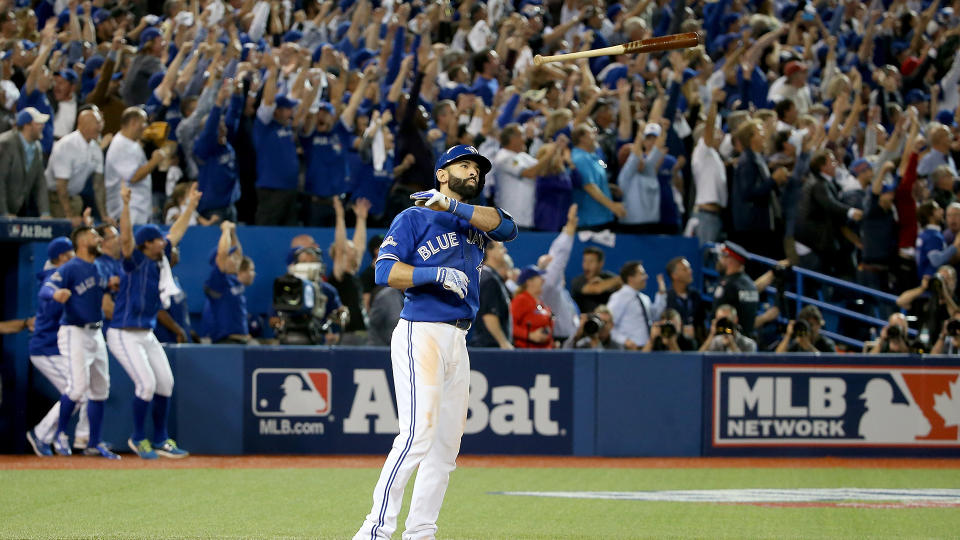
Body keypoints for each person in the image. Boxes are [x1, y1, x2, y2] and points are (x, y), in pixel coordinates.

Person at [353, 144, 518, 540]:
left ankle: (421, 532)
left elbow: (508, 228)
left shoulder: (472, 220)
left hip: (458, 339)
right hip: (421, 331)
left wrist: (454, 207)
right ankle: (374, 531)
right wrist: (433, 275)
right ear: (442, 173)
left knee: (445, 448)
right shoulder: (413, 216)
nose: (474, 172)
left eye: (478, 168)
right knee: (416, 435)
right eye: (465, 165)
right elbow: (384, 272)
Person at [106, 183, 200, 459]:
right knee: (146, 384)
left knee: (165, 384)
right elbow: (125, 238)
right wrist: (125, 205)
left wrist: (191, 206)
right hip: (123, 332)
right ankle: (138, 438)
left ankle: (160, 439)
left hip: (145, 333)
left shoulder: (160, 260)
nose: (164, 242)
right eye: (158, 240)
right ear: (147, 244)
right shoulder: (134, 260)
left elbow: (177, 232)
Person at [42, 224, 119, 459]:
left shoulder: (98, 267)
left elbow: (102, 289)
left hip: (96, 332)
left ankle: (93, 442)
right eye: (93, 235)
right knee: (76, 389)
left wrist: (111, 284)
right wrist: (55, 294)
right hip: (74, 331)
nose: (98, 239)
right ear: (82, 241)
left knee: (100, 389)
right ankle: (60, 435)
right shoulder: (71, 267)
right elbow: (46, 288)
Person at [25, 237, 88, 457]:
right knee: (77, 393)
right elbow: (53, 312)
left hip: (55, 348)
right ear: (62, 257)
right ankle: (42, 434)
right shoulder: (53, 278)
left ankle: (62, 436)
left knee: (80, 393)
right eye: (70, 253)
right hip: (46, 348)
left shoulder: (62, 274)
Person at [45, 107, 109, 224]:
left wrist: (104, 215)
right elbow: (61, 186)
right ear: (84, 124)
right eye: (97, 123)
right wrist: (69, 215)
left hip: (74, 198)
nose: (101, 126)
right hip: (53, 198)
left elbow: (98, 186)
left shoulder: (96, 149)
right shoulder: (66, 145)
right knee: (67, 229)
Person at [104, 106, 163, 224]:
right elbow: (134, 176)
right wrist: (154, 161)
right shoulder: (120, 145)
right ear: (133, 122)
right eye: (143, 122)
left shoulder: (132, 143)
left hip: (137, 207)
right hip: (128, 207)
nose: (145, 127)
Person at [201, 221, 256, 344]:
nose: (237, 261)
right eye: (232, 257)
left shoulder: (234, 280)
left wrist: (233, 234)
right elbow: (222, 253)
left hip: (241, 340)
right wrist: (225, 230)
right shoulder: (217, 280)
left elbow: (239, 254)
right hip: (225, 342)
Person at [538, 204, 581, 343]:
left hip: (570, 340)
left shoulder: (563, 293)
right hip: (557, 341)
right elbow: (558, 258)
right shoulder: (549, 289)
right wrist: (569, 230)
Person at [571, 123, 625, 229]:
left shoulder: (592, 157)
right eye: (591, 133)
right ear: (582, 138)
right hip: (590, 220)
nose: (595, 136)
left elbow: (593, 181)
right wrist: (612, 206)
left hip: (601, 217)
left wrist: (608, 187)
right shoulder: (580, 159)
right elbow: (589, 186)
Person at [0, 107, 50, 217]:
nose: (42, 126)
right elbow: (0, 180)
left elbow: (40, 182)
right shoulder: (5, 144)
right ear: (27, 126)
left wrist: (45, 213)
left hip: (18, 209)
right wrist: (3, 213)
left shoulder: (37, 147)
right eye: (38, 123)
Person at [607, 261, 666, 350]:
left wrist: (661, 294)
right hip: (629, 351)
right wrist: (625, 341)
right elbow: (608, 325)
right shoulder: (619, 297)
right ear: (631, 278)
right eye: (642, 274)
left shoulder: (644, 298)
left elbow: (655, 315)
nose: (646, 276)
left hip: (647, 349)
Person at [470, 240, 514, 349]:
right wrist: (503, 342)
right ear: (489, 252)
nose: (505, 250)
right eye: (500, 248)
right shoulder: (489, 279)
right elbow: (489, 315)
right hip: (490, 347)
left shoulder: (490, 276)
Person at [712, 242, 759, 339]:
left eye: (722, 257)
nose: (719, 260)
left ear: (730, 261)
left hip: (728, 339)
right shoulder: (750, 284)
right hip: (748, 340)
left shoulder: (727, 285)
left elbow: (718, 315)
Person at [664, 256, 705, 344]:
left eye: (689, 268)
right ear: (674, 275)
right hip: (674, 346)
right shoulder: (666, 298)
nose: (690, 271)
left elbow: (701, 324)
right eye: (685, 269)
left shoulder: (695, 296)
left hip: (696, 346)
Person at [511, 265, 554, 348]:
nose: (543, 280)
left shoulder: (541, 303)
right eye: (539, 277)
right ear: (529, 281)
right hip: (526, 354)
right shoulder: (521, 300)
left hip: (545, 352)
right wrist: (530, 335)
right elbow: (510, 326)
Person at [570, 246, 622, 314]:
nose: (587, 265)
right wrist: (605, 285)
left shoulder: (608, 277)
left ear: (601, 263)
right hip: (584, 322)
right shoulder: (577, 281)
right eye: (585, 261)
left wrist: (605, 284)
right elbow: (596, 289)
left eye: (591, 261)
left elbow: (624, 287)